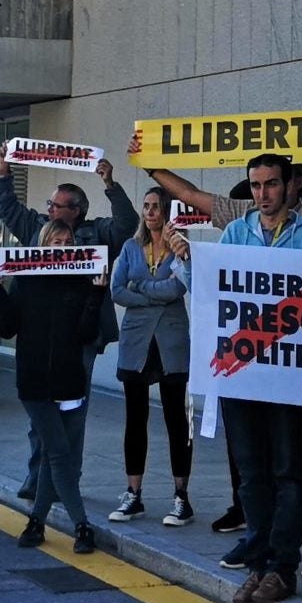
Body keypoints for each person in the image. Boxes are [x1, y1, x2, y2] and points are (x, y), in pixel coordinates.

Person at [136, 124, 302, 548]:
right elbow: (214, 292)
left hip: (292, 377)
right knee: (251, 470)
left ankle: (285, 558)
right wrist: (187, 260)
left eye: (271, 184)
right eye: (256, 185)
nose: (263, 193)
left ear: (288, 186)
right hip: (246, 374)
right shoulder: (235, 231)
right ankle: (258, 550)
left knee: (291, 470)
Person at [0, 149, 135, 521]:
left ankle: (65, 479)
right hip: (40, 338)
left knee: (72, 416)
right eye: (49, 205)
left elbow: (127, 224)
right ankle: (38, 476)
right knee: (40, 416)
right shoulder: (37, 228)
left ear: (77, 210)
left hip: (80, 337)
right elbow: (7, 209)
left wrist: (110, 184)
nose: (50, 210)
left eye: (57, 206)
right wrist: (4, 172)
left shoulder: (97, 233)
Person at [0, 241, 107, 556]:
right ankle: (82, 525)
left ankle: (36, 522)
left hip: (69, 382)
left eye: (67, 243)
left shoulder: (80, 283)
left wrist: (96, 294)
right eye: (56, 242)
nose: (62, 248)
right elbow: (7, 329)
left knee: (54, 455)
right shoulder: (25, 281)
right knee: (59, 455)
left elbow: (86, 334)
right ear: (43, 245)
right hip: (35, 384)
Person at [109, 190, 194, 526]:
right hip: (137, 342)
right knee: (135, 419)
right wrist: (154, 295)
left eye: (156, 207)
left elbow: (177, 289)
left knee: (176, 420)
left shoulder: (181, 248)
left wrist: (140, 287)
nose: (150, 212)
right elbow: (117, 290)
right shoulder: (131, 247)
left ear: (168, 212)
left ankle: (181, 497)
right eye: (146, 206)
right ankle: (133, 494)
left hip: (170, 342)